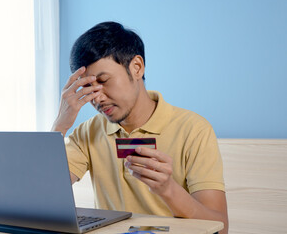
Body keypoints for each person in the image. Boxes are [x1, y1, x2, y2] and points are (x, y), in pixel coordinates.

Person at [51, 21, 229, 233]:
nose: (97, 97)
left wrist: (168, 189)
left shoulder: (194, 130)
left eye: (104, 80)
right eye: (88, 87)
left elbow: (221, 228)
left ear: (136, 67)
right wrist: (60, 125)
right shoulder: (87, 133)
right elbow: (39, 194)